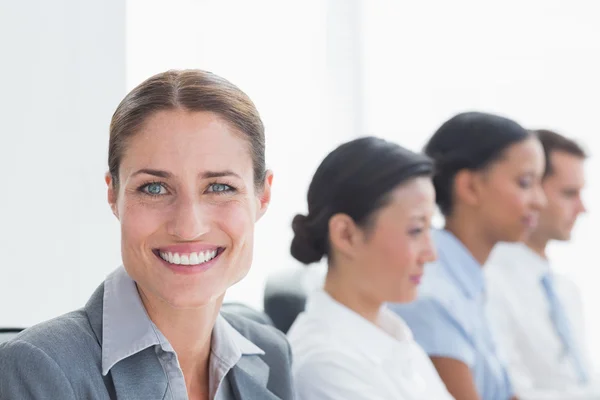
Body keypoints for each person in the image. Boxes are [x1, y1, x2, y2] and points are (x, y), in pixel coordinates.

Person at [0, 70, 294, 400]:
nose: (188, 227)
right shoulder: (41, 367)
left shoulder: (272, 354)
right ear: (114, 195)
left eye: (220, 187)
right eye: (154, 188)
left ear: (263, 196)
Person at [390, 112, 547, 400]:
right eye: (525, 183)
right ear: (470, 187)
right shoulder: (432, 295)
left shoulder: (471, 280)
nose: (540, 200)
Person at [287, 136, 455, 400]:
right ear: (346, 235)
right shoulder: (325, 366)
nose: (431, 254)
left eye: (429, 229)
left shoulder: (394, 334)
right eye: (415, 230)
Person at [485, 129, 599, 399]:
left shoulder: (564, 290)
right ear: (533, 189)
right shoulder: (489, 282)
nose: (582, 208)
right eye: (569, 193)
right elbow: (510, 393)